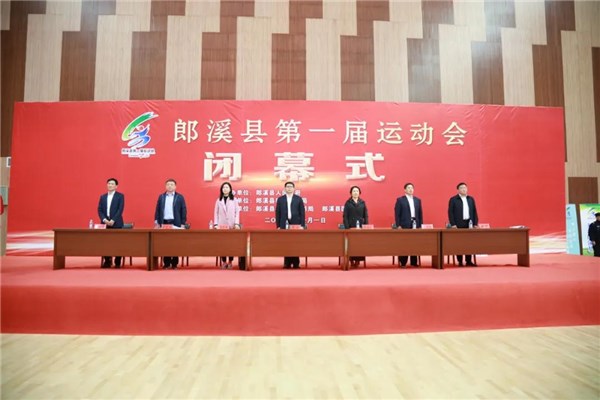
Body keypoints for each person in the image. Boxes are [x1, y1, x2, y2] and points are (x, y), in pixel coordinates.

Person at [154, 178, 187, 269]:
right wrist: (157, 222)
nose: (170, 186)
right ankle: (167, 263)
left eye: (172, 184)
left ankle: (174, 263)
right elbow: (157, 209)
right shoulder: (161, 197)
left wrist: (183, 223)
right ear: (165, 186)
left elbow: (183, 210)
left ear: (175, 186)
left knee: (175, 243)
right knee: (165, 243)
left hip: (175, 222)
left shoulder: (179, 197)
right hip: (164, 222)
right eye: (168, 184)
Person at [275, 181, 305, 268]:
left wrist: (302, 225)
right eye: (287, 187)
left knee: (295, 243)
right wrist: (278, 226)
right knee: (286, 243)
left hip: (296, 224)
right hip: (284, 224)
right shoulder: (280, 199)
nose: (289, 188)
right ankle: (287, 263)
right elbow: (278, 213)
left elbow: (302, 213)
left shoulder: (298, 199)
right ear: (285, 188)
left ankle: (296, 263)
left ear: (294, 188)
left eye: (291, 187)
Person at [213, 182, 243, 269]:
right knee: (222, 244)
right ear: (221, 190)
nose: (225, 189)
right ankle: (223, 262)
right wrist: (216, 224)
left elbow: (237, 212)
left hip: (232, 225)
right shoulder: (218, 200)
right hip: (221, 226)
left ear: (230, 189)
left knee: (231, 244)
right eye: (223, 187)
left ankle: (230, 261)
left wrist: (236, 223)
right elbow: (216, 213)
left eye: (227, 187)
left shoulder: (234, 200)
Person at [448, 182, 479, 266]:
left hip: (469, 224)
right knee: (459, 243)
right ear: (458, 190)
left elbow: (474, 211)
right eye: (461, 188)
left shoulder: (470, 199)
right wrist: (453, 224)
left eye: (465, 187)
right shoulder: (453, 199)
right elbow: (450, 212)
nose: (464, 189)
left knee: (469, 243)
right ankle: (460, 261)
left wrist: (475, 223)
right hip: (458, 224)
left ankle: (468, 261)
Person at [97, 178, 125, 268]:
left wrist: (113, 220)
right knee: (106, 243)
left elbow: (120, 209)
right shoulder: (103, 197)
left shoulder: (120, 196)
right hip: (105, 223)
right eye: (109, 183)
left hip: (116, 223)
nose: (110, 185)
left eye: (112, 184)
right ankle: (107, 261)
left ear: (116, 186)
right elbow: (100, 210)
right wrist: (104, 220)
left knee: (118, 243)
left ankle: (117, 261)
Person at [394, 182, 423, 267]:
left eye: (412, 188)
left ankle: (414, 262)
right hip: (404, 224)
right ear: (405, 190)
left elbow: (420, 213)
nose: (410, 189)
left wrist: (420, 225)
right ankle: (403, 262)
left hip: (415, 224)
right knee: (404, 243)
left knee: (415, 243)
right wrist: (398, 225)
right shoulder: (400, 200)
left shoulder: (417, 200)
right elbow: (397, 214)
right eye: (409, 188)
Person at [343, 186, 368, 267]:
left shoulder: (362, 202)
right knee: (351, 245)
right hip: (351, 227)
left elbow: (365, 215)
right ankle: (351, 260)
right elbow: (345, 216)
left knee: (359, 244)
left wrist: (366, 226)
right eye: (354, 191)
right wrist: (347, 227)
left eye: (357, 191)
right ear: (351, 193)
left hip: (360, 227)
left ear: (359, 193)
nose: (355, 192)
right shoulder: (348, 203)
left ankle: (358, 260)